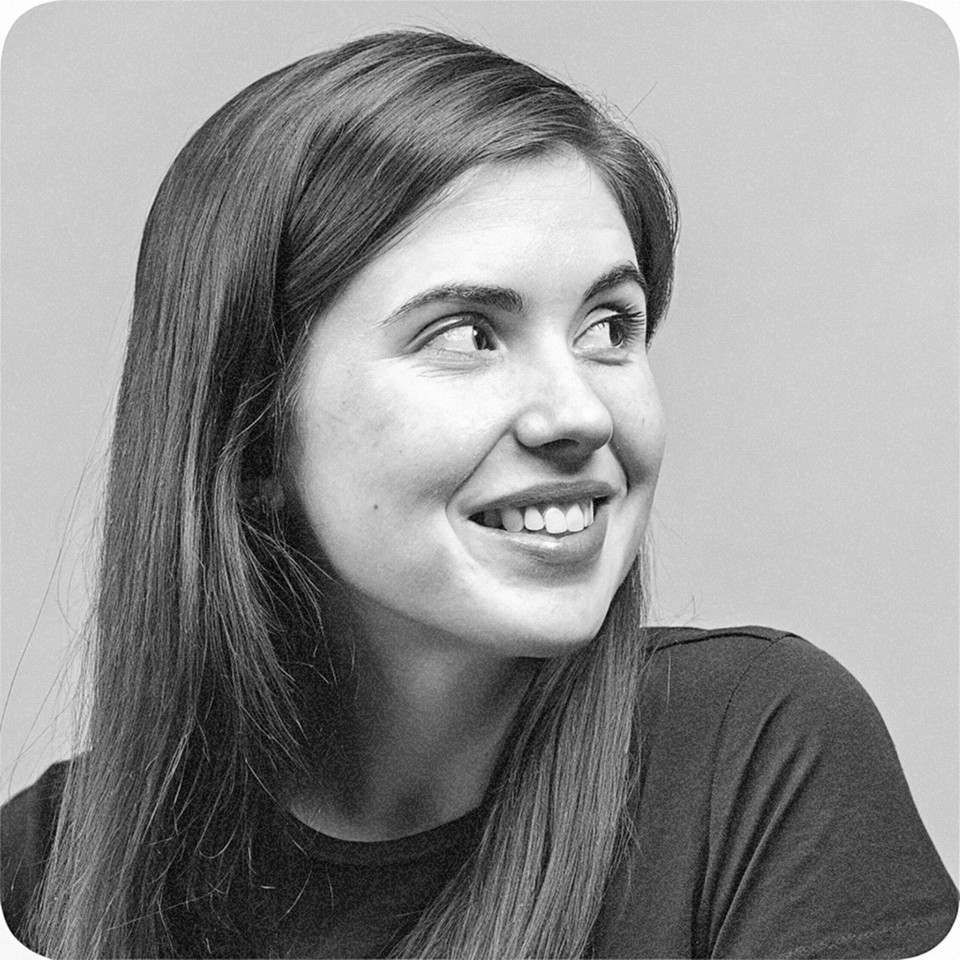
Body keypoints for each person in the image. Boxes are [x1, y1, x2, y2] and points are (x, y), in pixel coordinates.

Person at [1, 29, 955, 960]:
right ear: (253, 430)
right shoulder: (42, 871)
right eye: (466, 335)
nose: (579, 412)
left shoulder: (756, 755)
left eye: (609, 327)